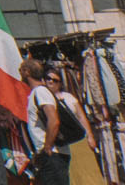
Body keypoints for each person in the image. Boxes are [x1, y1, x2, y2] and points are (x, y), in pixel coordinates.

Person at [23, 57, 73, 185]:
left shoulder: (40, 92)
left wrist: (47, 147)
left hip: (52, 155)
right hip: (51, 155)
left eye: (21, 71)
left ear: (27, 71)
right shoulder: (39, 92)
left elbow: (54, 120)